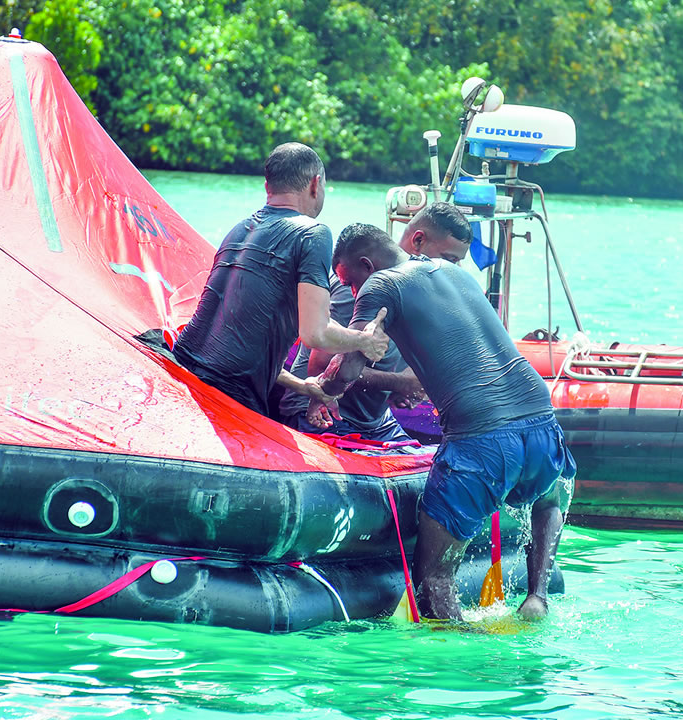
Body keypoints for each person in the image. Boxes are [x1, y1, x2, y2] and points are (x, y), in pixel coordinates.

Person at [312, 224, 576, 621]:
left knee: (432, 581)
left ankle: (473, 664)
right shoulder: (454, 272)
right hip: (539, 416)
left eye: (349, 284)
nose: (351, 294)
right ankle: (537, 595)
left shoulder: (380, 285)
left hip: (481, 436)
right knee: (547, 498)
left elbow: (348, 367)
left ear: (365, 266)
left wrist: (319, 388)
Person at [172, 143, 388, 416]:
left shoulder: (239, 228)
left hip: (180, 368)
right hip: (228, 396)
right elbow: (315, 333)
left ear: (267, 187)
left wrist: (302, 386)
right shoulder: (312, 233)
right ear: (315, 184)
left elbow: (235, 341)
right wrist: (364, 341)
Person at [277, 204, 473, 441]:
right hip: (321, 413)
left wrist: (393, 391)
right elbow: (321, 366)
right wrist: (399, 382)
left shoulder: (417, 288)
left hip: (375, 421)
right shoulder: (363, 284)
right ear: (418, 241)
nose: (451, 270)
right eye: (448, 259)